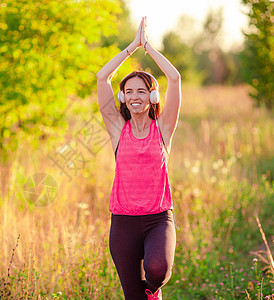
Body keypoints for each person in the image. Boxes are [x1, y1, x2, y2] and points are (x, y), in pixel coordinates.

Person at [96, 16, 181, 300]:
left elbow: (175, 78)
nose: (135, 96)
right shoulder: (118, 130)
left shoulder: (163, 129)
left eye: (142, 91)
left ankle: (153, 292)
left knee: (157, 270)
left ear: (153, 96)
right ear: (122, 97)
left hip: (158, 218)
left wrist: (149, 48)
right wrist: (132, 47)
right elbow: (101, 77)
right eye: (128, 91)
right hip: (123, 222)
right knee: (134, 296)